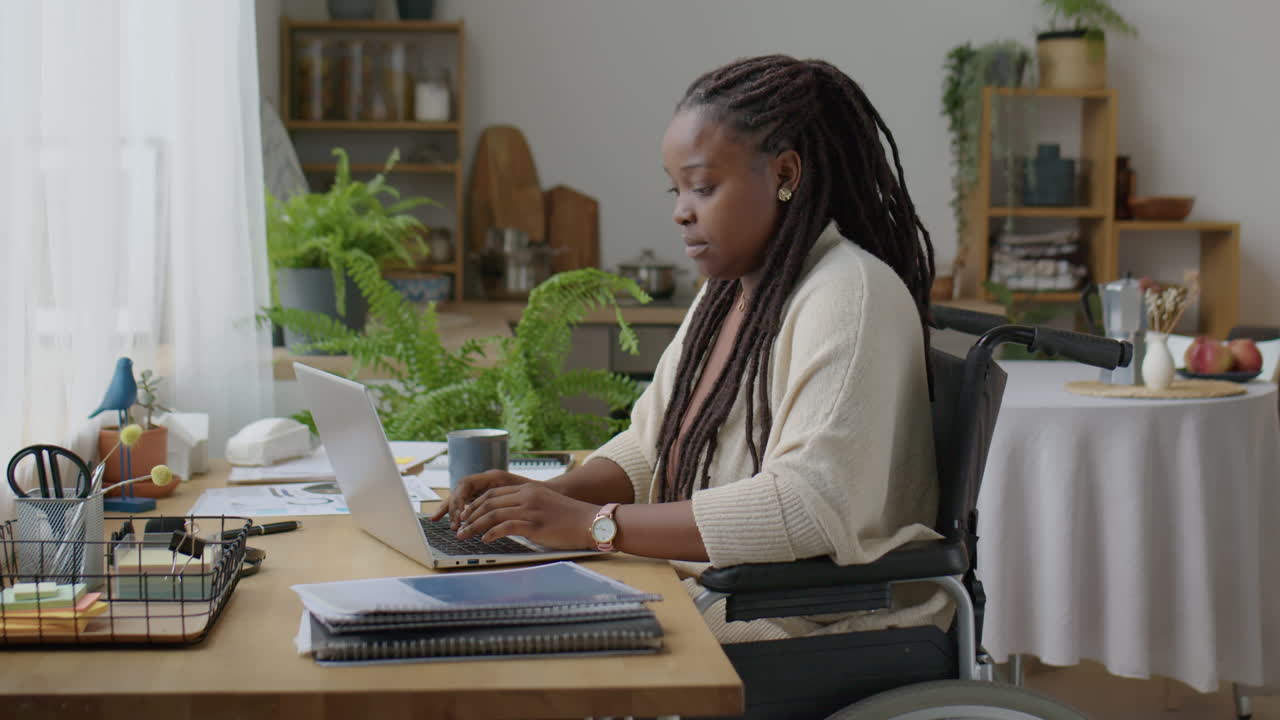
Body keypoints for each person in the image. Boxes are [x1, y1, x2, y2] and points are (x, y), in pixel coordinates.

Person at [432, 54, 948, 642]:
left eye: (703, 187)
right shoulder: (728, 294)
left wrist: (596, 527)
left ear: (784, 174)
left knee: (524, 649)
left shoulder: (848, 294)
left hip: (807, 621)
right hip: (716, 591)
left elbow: (807, 507)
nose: (680, 211)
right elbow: (654, 447)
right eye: (676, 188)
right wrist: (541, 501)